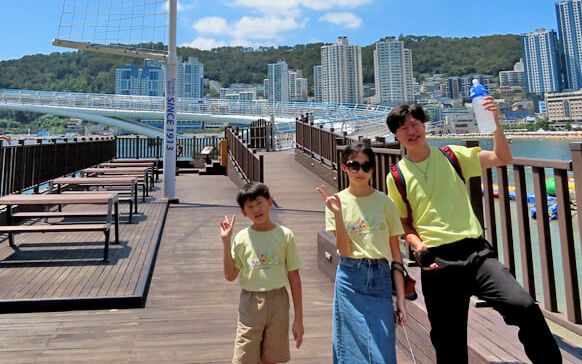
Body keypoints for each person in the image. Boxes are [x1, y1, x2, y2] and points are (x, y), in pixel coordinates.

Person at [386, 101, 562, 364]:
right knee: (448, 341)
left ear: (424, 125)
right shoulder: (397, 175)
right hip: (437, 260)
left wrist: (495, 123)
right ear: (396, 136)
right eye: (403, 128)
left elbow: (502, 157)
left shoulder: (452, 155)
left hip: (476, 253)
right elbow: (404, 224)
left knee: (523, 306)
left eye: (414, 124)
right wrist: (416, 244)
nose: (411, 131)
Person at [317, 141, 407, 364]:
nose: (360, 171)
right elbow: (344, 250)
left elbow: (396, 253)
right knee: (350, 351)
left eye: (366, 166)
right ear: (344, 167)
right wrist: (337, 214)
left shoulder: (386, 203)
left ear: (373, 170)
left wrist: (402, 302)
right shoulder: (336, 201)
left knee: (384, 351)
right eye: (354, 165)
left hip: (381, 276)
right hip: (350, 277)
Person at [220, 181, 304, 364]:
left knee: (271, 358)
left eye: (259, 203)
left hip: (278, 301)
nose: (256, 209)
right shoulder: (242, 238)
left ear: (270, 202)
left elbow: (294, 277)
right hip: (250, 302)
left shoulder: (285, 235)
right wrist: (226, 243)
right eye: (250, 206)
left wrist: (299, 318)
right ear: (244, 212)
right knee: (244, 358)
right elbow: (230, 275)